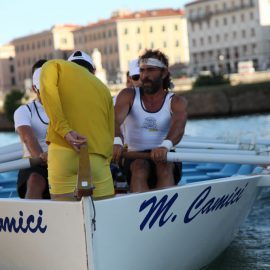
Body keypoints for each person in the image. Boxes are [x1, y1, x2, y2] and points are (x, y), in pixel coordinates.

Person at [39, 50, 115, 201]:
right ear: (93, 71)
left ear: (69, 64)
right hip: (96, 158)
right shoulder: (104, 89)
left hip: (62, 154)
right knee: (104, 216)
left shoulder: (55, 66)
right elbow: (110, 131)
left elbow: (47, 89)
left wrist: (65, 130)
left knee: (64, 215)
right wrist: (106, 161)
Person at [113, 49, 187, 193]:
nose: (145, 76)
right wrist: (117, 141)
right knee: (140, 167)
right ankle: (143, 211)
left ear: (164, 73)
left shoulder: (177, 101)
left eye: (150, 70)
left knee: (163, 167)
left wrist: (165, 145)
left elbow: (179, 126)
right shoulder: (128, 95)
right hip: (134, 157)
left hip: (166, 153)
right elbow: (114, 120)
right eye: (142, 71)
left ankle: (165, 210)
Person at [14, 59, 50, 199]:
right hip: (36, 164)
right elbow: (28, 138)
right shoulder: (24, 111)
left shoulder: (67, 108)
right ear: (35, 88)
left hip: (62, 161)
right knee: (35, 180)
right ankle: (32, 218)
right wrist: (43, 158)